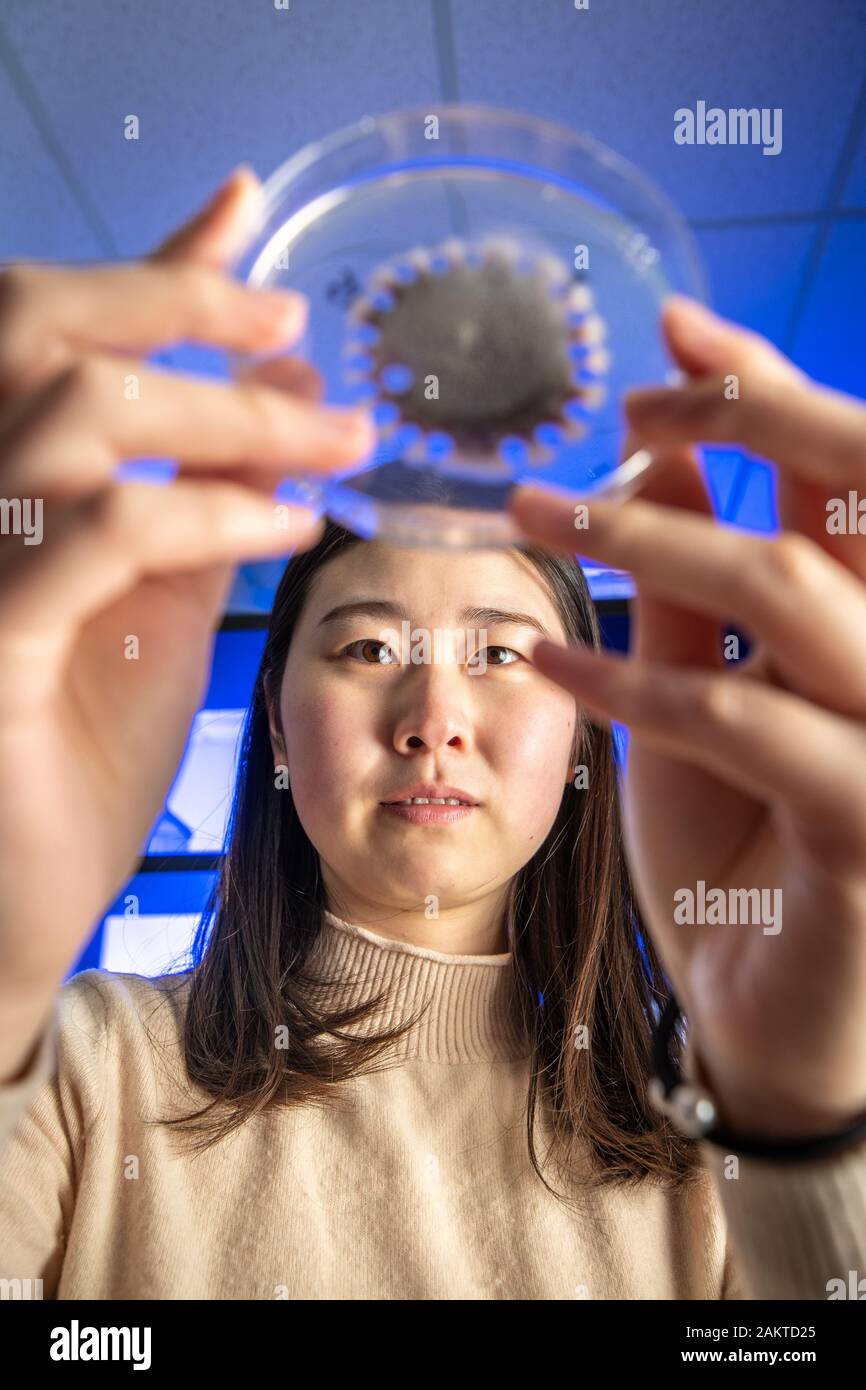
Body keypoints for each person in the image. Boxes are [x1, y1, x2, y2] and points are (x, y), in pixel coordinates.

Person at [0, 168, 864, 1300]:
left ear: (581, 747)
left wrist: (800, 1118)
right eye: (367, 649)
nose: (433, 722)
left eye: (500, 654)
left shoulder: (709, 1146)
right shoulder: (81, 1069)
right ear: (273, 725)